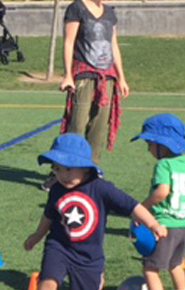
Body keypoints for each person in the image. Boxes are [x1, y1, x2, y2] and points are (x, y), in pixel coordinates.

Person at [23, 133, 165, 290]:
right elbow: (48, 216)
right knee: (48, 277)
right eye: (57, 169)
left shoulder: (101, 188)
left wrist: (153, 223)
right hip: (59, 246)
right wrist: (37, 235)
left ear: (86, 168)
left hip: (89, 257)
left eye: (69, 169)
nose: (63, 175)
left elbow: (131, 206)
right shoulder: (57, 190)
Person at [130, 114, 185, 290]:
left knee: (150, 268)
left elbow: (162, 192)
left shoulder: (164, 165)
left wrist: (141, 208)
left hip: (164, 225)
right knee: (175, 264)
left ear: (162, 145)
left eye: (150, 144)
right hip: (182, 225)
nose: (148, 149)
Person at [58, 0, 130, 167]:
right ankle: (63, 169)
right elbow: (69, 42)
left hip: (107, 77)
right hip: (84, 75)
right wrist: (68, 75)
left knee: (98, 127)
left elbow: (114, 45)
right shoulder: (77, 8)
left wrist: (121, 78)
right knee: (77, 124)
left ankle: (91, 169)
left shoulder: (109, 12)